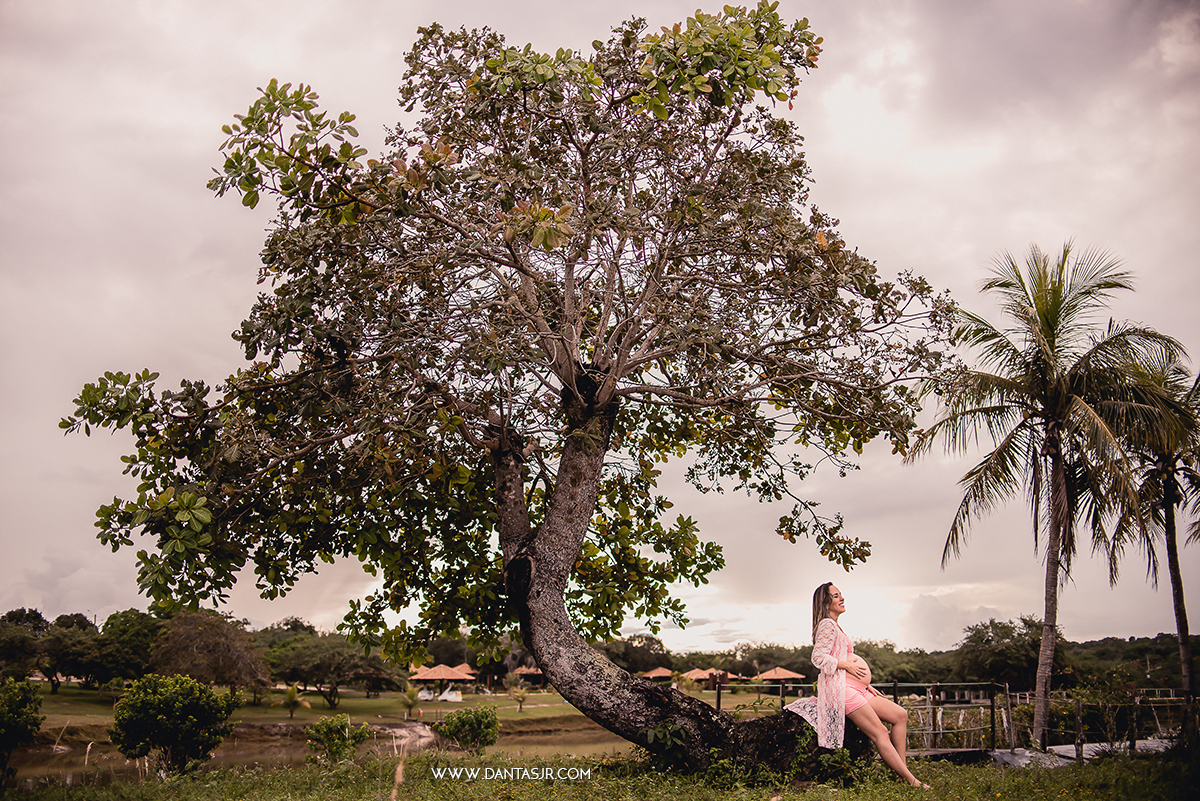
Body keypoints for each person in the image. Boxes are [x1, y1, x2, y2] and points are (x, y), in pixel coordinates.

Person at [785, 582, 928, 789]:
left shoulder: (835, 625)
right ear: (825, 603)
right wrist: (846, 667)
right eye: (835, 596)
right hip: (841, 689)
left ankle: (901, 771)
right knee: (880, 732)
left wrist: (866, 684)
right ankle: (911, 781)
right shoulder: (826, 624)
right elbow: (817, 657)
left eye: (840, 594)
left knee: (900, 715)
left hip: (856, 687)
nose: (841, 598)